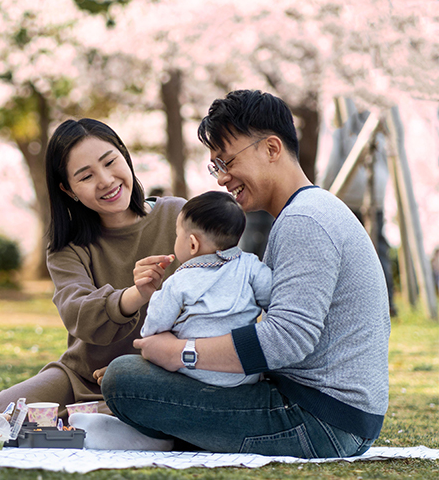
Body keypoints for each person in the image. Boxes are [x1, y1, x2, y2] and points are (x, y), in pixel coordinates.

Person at [101, 90, 390, 459]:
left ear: (271, 148)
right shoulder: (305, 212)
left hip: (320, 420)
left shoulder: (305, 220)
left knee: (125, 381)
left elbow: (287, 339)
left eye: (227, 161)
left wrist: (181, 354)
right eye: (215, 167)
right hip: (328, 412)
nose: (222, 179)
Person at [0, 118, 186, 426]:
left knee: (122, 417)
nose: (105, 180)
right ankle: (91, 417)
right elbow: (78, 313)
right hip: (82, 377)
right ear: (69, 190)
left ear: (124, 156)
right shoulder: (67, 245)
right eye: (86, 176)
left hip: (160, 371)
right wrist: (136, 294)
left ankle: (93, 418)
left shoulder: (178, 217)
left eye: (110, 162)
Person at [140, 191, 271, 387]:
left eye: (177, 235)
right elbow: (274, 297)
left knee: (131, 368)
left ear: (193, 244)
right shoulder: (250, 266)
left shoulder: (180, 281)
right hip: (243, 375)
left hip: (193, 372)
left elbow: (154, 327)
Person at [321, 97, 396, 316]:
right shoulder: (379, 101)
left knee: (349, 251)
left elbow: (332, 155)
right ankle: (388, 301)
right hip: (377, 188)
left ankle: (359, 304)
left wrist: (324, 190)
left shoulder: (338, 106)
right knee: (378, 245)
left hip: (348, 190)